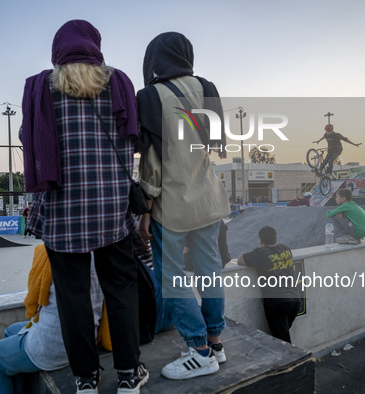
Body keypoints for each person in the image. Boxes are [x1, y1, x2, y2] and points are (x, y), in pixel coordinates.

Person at [20, 20, 147, 393]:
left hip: (62, 213)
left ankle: (85, 380)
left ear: (58, 48)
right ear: (96, 45)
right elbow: (133, 136)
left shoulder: (40, 87)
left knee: (73, 299)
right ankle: (129, 376)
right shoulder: (119, 81)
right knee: (122, 291)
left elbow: (29, 138)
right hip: (111, 210)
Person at [137, 32, 230, 380]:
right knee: (210, 272)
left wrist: (145, 207)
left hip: (171, 205)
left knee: (174, 279)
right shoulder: (206, 86)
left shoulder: (149, 97)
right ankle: (216, 343)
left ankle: (199, 350)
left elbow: (153, 161)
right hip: (208, 199)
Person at [0, 245, 104, 394]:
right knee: (11, 331)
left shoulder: (51, 251)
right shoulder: (103, 253)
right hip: (89, 332)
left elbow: (34, 295)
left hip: (55, 344)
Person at [237, 226, 302, 343]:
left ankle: (292, 360)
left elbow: (240, 260)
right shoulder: (285, 249)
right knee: (283, 335)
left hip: (277, 302)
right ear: (275, 238)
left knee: (283, 343)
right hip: (295, 299)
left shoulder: (260, 253)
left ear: (260, 240)